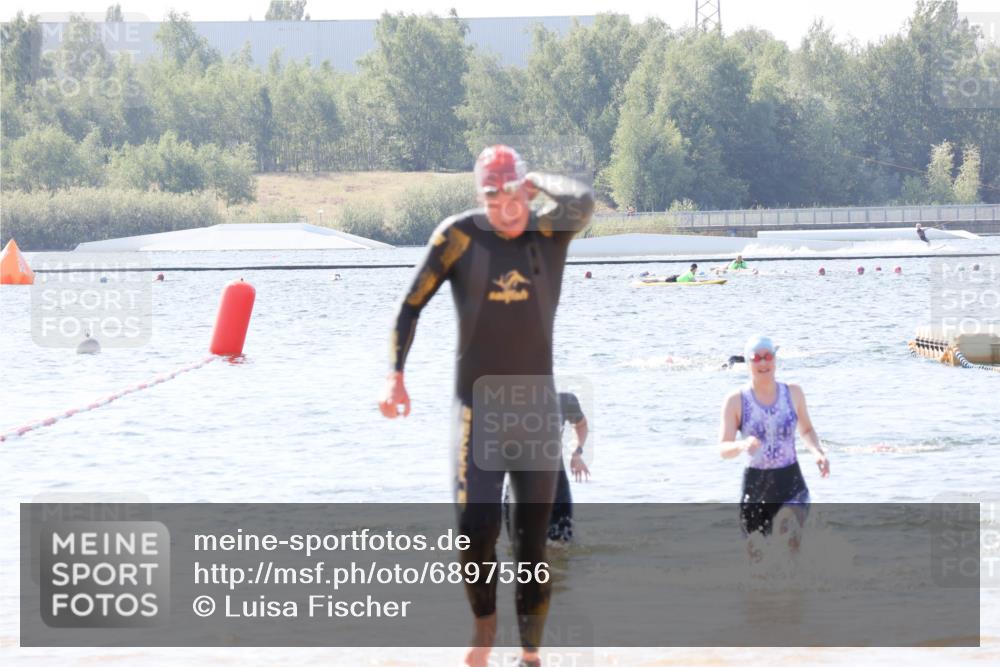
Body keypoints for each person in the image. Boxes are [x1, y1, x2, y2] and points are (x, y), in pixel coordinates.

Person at [379, 144, 594, 667]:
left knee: (531, 546)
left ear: (525, 188)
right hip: (477, 412)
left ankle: (530, 655)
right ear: (480, 196)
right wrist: (395, 378)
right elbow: (410, 306)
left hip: (536, 413)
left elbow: (584, 199)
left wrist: (532, 178)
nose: (504, 204)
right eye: (492, 194)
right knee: (475, 531)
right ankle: (483, 635)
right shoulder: (459, 236)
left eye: (512, 191)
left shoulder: (551, 231)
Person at [718, 335, 830, 560]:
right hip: (756, 486)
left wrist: (818, 452)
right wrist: (741, 445)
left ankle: (796, 591)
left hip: (790, 482)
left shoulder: (793, 393)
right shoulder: (736, 400)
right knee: (757, 562)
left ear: (775, 360)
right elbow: (723, 449)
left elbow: (806, 430)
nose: (762, 363)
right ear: (748, 363)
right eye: (756, 358)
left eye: (767, 356)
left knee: (788, 532)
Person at [503, 391, 590, 543]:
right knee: (522, 552)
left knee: (561, 549)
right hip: (520, 492)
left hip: (557, 489)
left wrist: (577, 454)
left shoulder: (565, 401)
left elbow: (581, 424)